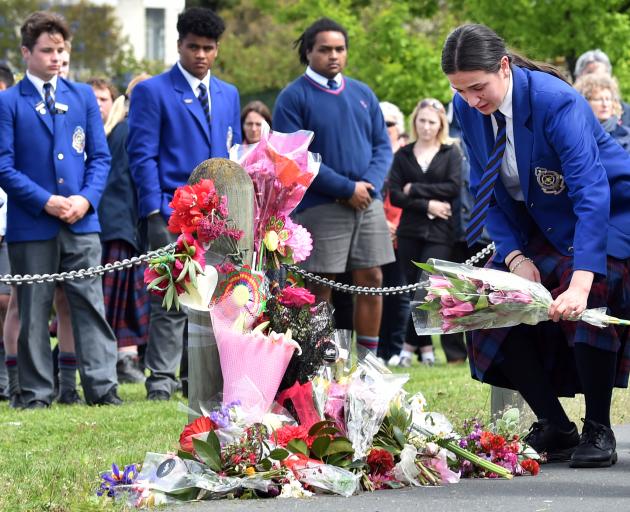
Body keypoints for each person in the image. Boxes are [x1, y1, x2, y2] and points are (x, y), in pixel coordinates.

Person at [442, 23, 630, 468]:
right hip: (537, 228)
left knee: (589, 299)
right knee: (483, 303)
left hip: (608, 218)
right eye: (460, 90)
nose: (471, 100)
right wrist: (514, 258)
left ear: (503, 67)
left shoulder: (555, 102)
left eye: (477, 87)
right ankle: (555, 425)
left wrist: (582, 280)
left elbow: (591, 193)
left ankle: (599, 428)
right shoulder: (466, 106)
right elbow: (483, 187)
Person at [0, 11, 120, 409]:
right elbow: (4, 165)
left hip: (82, 220)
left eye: (60, 50)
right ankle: (36, 393)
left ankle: (102, 388)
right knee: (33, 309)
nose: (55, 58)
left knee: (89, 304)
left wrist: (85, 199)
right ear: (26, 53)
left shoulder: (82, 95)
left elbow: (100, 158)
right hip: (32, 223)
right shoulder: (7, 102)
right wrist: (44, 200)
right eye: (47, 51)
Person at [128, 7, 241, 401]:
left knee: (215, 300)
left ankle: (201, 380)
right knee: (170, 298)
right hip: (170, 212)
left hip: (220, 218)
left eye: (208, 48)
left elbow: (232, 155)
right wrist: (154, 210)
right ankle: (161, 380)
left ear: (217, 49)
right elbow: (141, 155)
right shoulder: (152, 91)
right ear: (179, 45)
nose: (201, 55)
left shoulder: (228, 94)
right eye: (193, 47)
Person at [273, 17, 394, 356]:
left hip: (366, 201)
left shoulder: (362, 93)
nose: (333, 55)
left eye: (339, 49)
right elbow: (295, 157)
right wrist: (345, 187)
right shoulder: (292, 97)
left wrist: (368, 185)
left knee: (372, 279)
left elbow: (382, 146)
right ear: (308, 51)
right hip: (321, 204)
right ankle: (318, 363)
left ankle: (369, 364)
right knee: (320, 285)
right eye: (324, 49)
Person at [388, 98, 467, 367]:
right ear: (415, 122)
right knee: (413, 289)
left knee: (428, 288)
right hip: (410, 230)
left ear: (441, 124)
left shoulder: (450, 152)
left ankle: (409, 347)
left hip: (440, 231)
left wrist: (415, 189)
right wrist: (427, 204)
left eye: (432, 122)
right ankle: (425, 349)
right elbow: (396, 195)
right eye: (422, 121)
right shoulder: (403, 154)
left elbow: (453, 187)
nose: (426, 127)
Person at [94, 75, 150, 384]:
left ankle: (123, 359)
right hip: (119, 225)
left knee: (118, 300)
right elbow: (122, 185)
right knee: (110, 303)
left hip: (120, 225)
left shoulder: (122, 129)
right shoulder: (128, 130)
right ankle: (119, 360)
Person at [376, 101, 409, 362]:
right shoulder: (373, 155)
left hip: (402, 231)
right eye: (381, 122)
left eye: (390, 123)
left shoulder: (407, 156)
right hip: (375, 229)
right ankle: (378, 348)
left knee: (399, 293)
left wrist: (397, 226)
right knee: (376, 290)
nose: (386, 128)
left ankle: (395, 349)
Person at [574, 73, 630, 153]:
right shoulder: (575, 135)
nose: (605, 104)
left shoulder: (626, 135)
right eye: (598, 99)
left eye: (608, 99)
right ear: (585, 102)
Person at [573, 49, 630, 126]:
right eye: (591, 73)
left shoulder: (626, 112)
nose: (597, 80)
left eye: (602, 75)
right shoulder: (570, 111)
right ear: (579, 77)